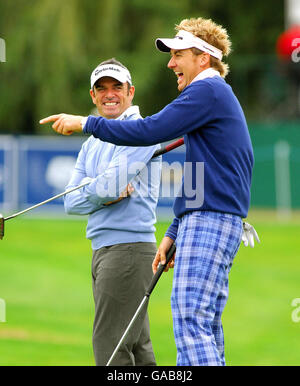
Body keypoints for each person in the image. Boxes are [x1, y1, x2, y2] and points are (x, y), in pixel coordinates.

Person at [40, 17, 259, 366]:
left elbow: (149, 130)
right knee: (203, 326)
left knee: (190, 322)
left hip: (211, 220)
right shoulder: (210, 97)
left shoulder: (207, 90)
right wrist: (175, 230)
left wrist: (85, 123)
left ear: (203, 57)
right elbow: (200, 174)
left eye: (178, 54)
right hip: (206, 219)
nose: (171, 63)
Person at [56, 58, 161, 366]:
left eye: (117, 87)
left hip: (128, 252)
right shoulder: (92, 144)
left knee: (111, 352)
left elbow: (103, 187)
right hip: (106, 252)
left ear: (130, 92)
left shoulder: (140, 130)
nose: (109, 94)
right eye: (102, 88)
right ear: (93, 96)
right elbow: (71, 202)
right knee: (138, 352)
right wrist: (101, 190)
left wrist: (100, 189)